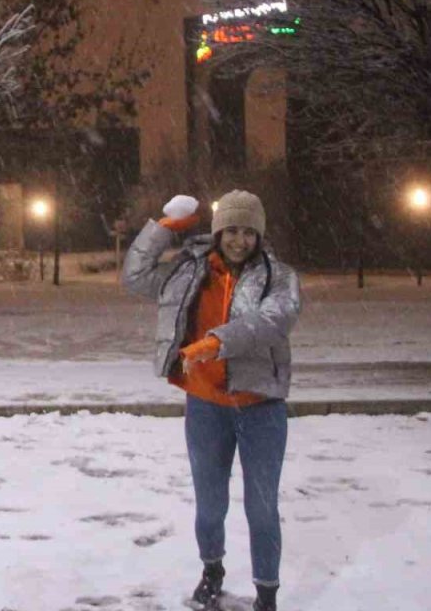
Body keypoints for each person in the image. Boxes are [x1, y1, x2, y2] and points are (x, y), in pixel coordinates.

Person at [122, 191, 301, 611]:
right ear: (218, 233)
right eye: (231, 230)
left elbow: (271, 320)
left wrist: (216, 343)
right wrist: (162, 229)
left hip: (261, 408)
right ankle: (212, 570)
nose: (239, 240)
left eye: (248, 232)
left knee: (262, 508)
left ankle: (267, 594)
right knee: (210, 505)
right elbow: (135, 277)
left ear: (259, 235)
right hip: (206, 407)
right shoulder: (190, 270)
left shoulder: (278, 277)